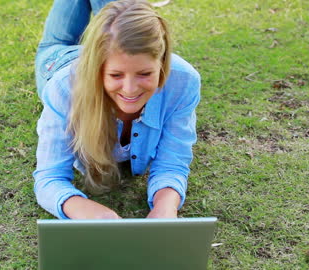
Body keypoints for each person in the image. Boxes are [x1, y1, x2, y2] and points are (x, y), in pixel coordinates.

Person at [33, 0, 201, 220]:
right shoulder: (64, 88)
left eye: (144, 74)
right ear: (98, 70)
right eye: (116, 75)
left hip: (110, 46)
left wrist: (165, 207)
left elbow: (172, 163)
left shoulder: (183, 81)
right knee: (58, 40)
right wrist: (88, 212)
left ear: (162, 63)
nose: (130, 90)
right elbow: (49, 177)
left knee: (121, 19)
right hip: (58, 60)